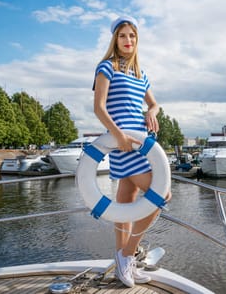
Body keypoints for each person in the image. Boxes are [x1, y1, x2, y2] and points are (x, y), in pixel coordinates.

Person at [93, 15, 171, 288]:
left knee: (127, 203)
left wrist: (151, 110)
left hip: (141, 144)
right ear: (115, 39)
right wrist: (118, 136)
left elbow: (155, 103)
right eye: (123, 35)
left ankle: (122, 262)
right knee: (162, 194)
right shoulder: (106, 67)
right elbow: (99, 108)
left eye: (133, 36)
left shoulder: (141, 73)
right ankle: (127, 255)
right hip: (123, 144)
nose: (128, 40)